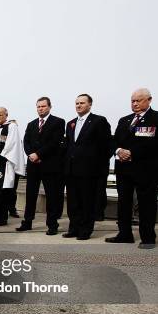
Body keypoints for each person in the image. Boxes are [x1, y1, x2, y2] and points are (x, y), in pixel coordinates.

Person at [106, 88, 158, 249]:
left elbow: (154, 144)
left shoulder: (156, 118)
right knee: (124, 203)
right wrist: (118, 151)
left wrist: (132, 152)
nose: (134, 104)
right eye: (132, 101)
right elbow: (114, 141)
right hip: (124, 169)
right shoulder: (124, 120)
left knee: (146, 204)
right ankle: (124, 234)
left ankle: (148, 238)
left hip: (146, 170)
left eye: (138, 100)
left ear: (149, 100)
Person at [62, 94, 112, 240]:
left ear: (90, 105)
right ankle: (74, 228)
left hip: (89, 171)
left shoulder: (99, 121)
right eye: (77, 103)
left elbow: (106, 146)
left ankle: (85, 230)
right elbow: (69, 145)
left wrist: (98, 167)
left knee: (87, 202)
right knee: (73, 202)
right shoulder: (71, 123)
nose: (78, 105)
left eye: (82, 103)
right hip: (71, 170)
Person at [16, 97, 66, 235]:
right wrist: (31, 154)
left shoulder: (58, 122)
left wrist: (38, 154)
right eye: (38, 106)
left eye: (43, 106)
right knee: (30, 195)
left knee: (52, 196)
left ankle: (52, 225)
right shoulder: (31, 124)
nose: (40, 109)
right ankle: (27, 222)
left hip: (49, 165)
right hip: (33, 165)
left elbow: (54, 142)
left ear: (49, 107)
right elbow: (25, 141)